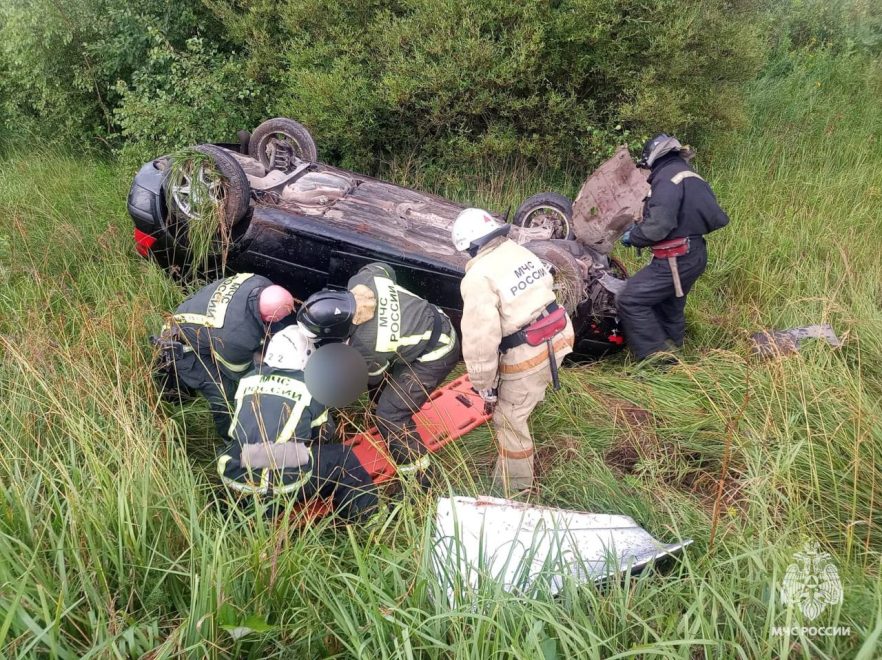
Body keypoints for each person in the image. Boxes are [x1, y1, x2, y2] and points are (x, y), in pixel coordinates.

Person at [296, 263, 460, 487]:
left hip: (437, 353)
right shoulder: (365, 280)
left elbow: (372, 378)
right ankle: (385, 415)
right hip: (434, 320)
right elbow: (384, 269)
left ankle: (421, 480)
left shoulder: (367, 344)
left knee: (390, 414)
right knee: (384, 389)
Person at [451, 209, 574, 494]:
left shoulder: (477, 278)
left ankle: (514, 489)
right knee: (528, 390)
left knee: (508, 418)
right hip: (560, 332)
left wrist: (483, 385)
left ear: (469, 247)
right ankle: (530, 396)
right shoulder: (517, 251)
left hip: (531, 349)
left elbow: (481, 339)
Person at [217, 325, 378, 520]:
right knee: (343, 458)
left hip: (235, 470)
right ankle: (366, 518)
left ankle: (234, 510)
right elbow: (324, 434)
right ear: (307, 356)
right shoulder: (312, 386)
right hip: (280, 482)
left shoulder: (248, 379)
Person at [617, 134, 729, 361]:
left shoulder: (667, 178)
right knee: (669, 307)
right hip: (694, 254)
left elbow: (658, 226)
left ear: (653, 158)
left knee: (629, 299)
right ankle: (674, 362)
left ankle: (657, 360)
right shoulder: (689, 175)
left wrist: (634, 236)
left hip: (676, 258)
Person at [153, 273, 295, 434]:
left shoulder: (260, 281)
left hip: (189, 318)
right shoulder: (237, 335)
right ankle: (229, 435)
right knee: (224, 392)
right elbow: (238, 374)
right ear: (269, 316)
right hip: (184, 347)